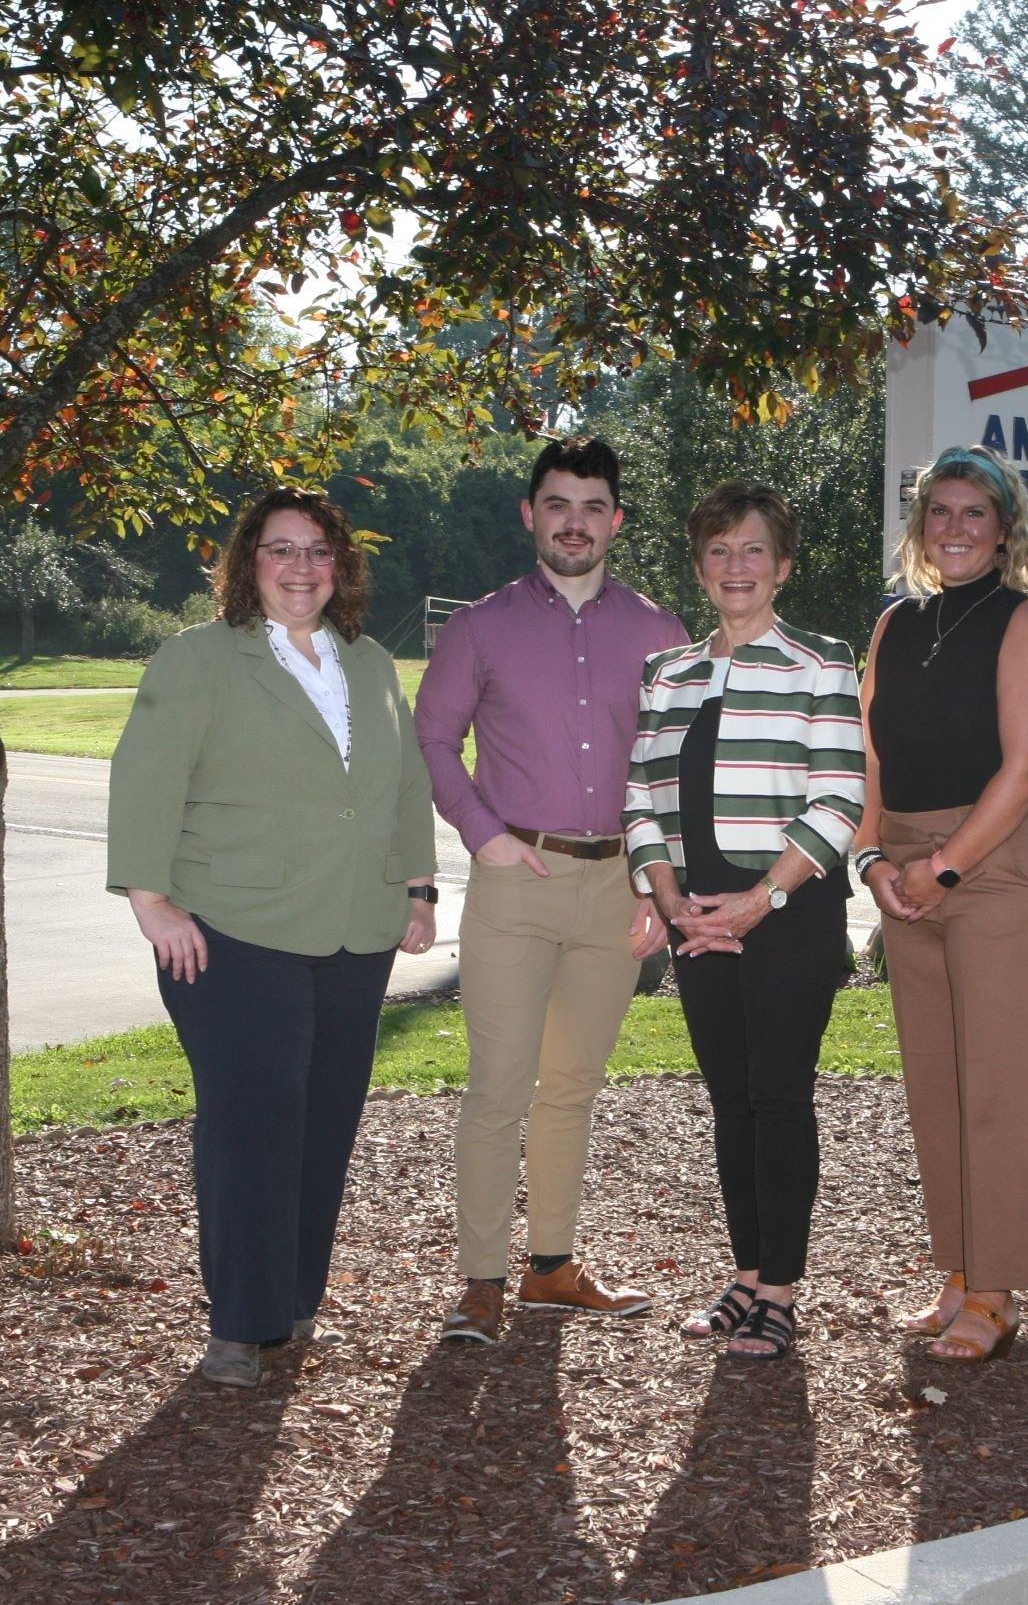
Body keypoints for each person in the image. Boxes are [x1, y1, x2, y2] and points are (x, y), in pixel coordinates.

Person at [106, 489, 438, 1389]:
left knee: (323, 1122)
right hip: (230, 931)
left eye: (319, 550)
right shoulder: (201, 659)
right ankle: (239, 1325)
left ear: (342, 565)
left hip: (356, 928)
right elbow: (146, 777)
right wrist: (151, 900)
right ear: (248, 563)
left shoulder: (368, 663)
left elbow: (404, 780)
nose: (302, 568)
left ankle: (293, 1301)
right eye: (281, 550)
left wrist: (417, 885)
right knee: (252, 1126)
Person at [413, 437, 688, 1345]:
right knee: (498, 1086)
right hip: (515, 884)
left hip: (618, 886)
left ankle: (553, 1268)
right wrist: (482, 833)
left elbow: (677, 768)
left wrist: (660, 884)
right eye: (558, 503)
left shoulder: (659, 634)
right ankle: (482, 1280)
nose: (576, 520)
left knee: (572, 1084)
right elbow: (432, 744)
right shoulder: (480, 626)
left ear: (617, 519)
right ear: (531, 513)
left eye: (594, 504)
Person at [623, 482, 864, 1361]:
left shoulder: (823, 663)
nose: (736, 565)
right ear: (699, 564)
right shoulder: (668, 672)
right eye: (719, 549)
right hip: (695, 912)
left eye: (753, 549)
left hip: (787, 911)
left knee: (778, 1095)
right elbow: (641, 798)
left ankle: (783, 1290)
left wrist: (761, 899)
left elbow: (841, 797)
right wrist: (666, 893)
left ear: (783, 565)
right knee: (729, 1098)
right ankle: (745, 1273)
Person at [852, 444, 1028, 1365]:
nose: (953, 528)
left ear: (1005, 528)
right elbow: (866, 752)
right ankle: (956, 1270)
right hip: (904, 868)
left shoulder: (1024, 621)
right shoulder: (893, 625)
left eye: (973, 513)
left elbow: (1025, 767)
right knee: (938, 1086)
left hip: (995, 868)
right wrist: (872, 861)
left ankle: (996, 1291)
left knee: (998, 1090)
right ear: (919, 524)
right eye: (938, 511)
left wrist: (941, 867)